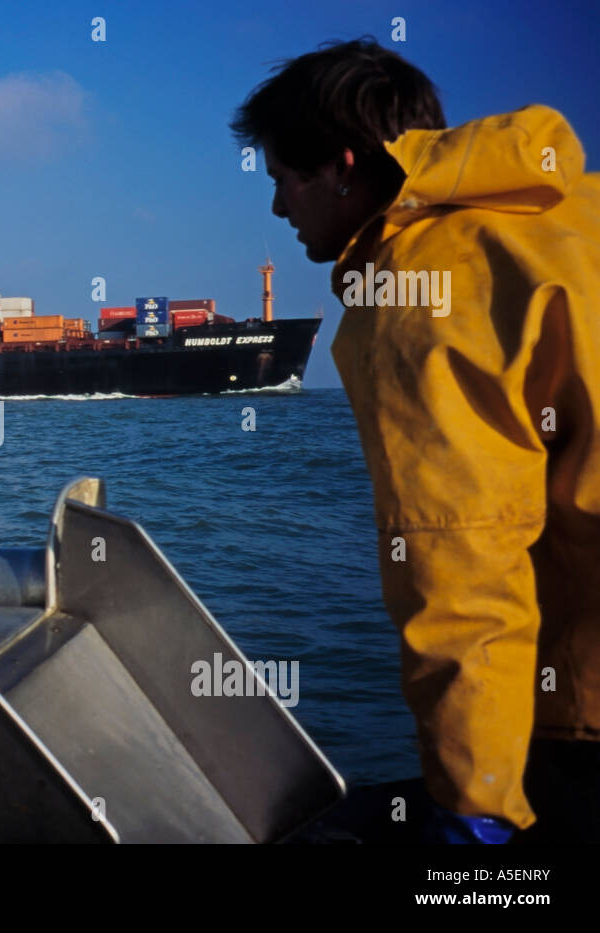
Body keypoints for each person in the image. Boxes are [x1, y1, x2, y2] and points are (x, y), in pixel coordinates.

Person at [230, 37, 600, 843]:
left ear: (343, 166)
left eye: (283, 181)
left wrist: (478, 818)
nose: (277, 209)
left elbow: (465, 570)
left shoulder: (417, 288)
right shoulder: (575, 215)